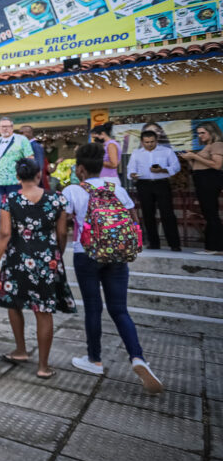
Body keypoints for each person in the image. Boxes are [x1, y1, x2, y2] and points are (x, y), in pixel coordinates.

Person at [64, 143, 163, 393]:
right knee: (120, 310)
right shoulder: (116, 189)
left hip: (85, 254)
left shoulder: (73, 190)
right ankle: (138, 357)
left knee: (93, 308)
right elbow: (133, 220)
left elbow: (63, 223)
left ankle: (94, 359)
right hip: (118, 254)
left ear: (81, 169)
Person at [0, 158, 75, 378]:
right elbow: (63, 233)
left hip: (18, 257)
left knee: (14, 303)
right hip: (48, 258)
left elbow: (5, 234)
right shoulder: (57, 199)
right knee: (44, 311)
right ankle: (43, 367)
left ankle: (20, 349)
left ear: (18, 177)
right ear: (39, 175)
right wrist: (57, 253)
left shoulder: (10, 199)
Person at [128, 130, 181, 252]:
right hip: (144, 184)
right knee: (148, 214)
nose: (150, 144)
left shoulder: (166, 151)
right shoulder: (136, 153)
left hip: (161, 183)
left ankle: (174, 244)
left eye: (152, 142)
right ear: (142, 142)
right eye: (147, 142)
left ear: (156, 140)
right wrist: (133, 174)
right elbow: (130, 168)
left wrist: (162, 170)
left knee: (167, 213)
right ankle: (153, 243)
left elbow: (176, 166)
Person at [181, 122, 223, 255]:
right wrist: (189, 158)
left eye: (203, 132)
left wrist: (194, 156)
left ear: (212, 132)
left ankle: (214, 247)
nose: (200, 135)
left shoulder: (217, 145)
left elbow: (216, 165)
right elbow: (196, 167)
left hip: (209, 180)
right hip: (201, 180)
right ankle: (212, 246)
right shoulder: (206, 147)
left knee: (211, 214)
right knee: (208, 213)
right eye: (198, 133)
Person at [0, 116, 34, 207]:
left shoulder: (22, 139)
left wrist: (25, 177)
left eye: (7, 126)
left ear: (12, 127)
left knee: (16, 208)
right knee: (0, 209)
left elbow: (30, 159)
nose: (5, 129)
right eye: (2, 126)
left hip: (15, 182)